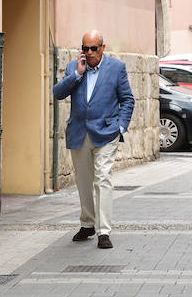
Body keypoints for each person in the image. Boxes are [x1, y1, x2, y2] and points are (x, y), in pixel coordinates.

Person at [52, 30, 135, 248]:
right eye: (85, 48)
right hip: (79, 132)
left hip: (106, 132)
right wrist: (77, 75)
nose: (89, 53)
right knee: (83, 181)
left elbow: (127, 99)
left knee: (103, 178)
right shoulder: (73, 68)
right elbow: (57, 93)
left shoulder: (117, 68)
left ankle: (103, 231)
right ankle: (87, 223)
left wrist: (121, 126)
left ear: (102, 48)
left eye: (93, 48)